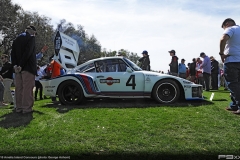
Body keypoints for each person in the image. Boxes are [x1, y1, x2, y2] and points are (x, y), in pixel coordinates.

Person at [10, 25, 37, 114]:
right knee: (27, 88)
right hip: (27, 67)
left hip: (17, 68)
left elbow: (12, 53)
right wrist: (21, 65)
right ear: (32, 31)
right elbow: (28, 52)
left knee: (19, 88)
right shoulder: (31, 38)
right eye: (35, 33)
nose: (35, 34)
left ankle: (19, 108)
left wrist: (15, 65)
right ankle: (27, 108)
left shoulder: (17, 39)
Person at [219, 18, 240, 114]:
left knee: (233, 84)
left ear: (226, 24)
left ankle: (238, 105)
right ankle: (234, 105)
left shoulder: (231, 29)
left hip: (232, 60)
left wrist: (221, 53)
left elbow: (223, 39)